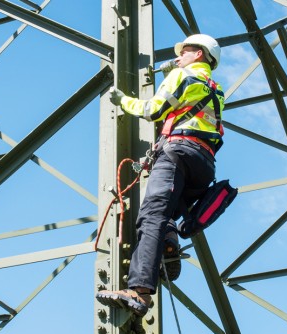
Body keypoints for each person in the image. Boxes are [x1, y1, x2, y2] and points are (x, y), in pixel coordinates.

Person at [96, 34, 225, 317]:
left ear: (199, 54)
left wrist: (123, 101)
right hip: (204, 165)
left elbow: (153, 110)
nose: (178, 57)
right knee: (167, 214)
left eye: (185, 52)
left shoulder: (181, 76)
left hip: (177, 153)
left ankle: (139, 291)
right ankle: (169, 241)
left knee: (151, 215)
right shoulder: (216, 90)